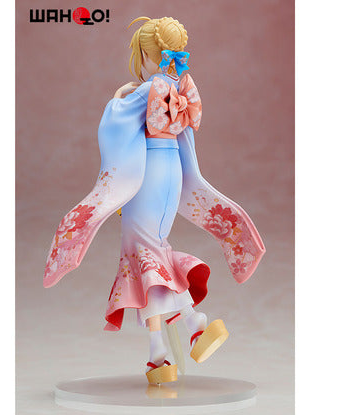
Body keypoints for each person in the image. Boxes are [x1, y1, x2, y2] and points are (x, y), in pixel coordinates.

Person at [43, 16, 265, 384]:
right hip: (171, 172)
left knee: (140, 254)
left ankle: (174, 341)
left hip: (147, 176)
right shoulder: (179, 87)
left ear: (147, 55)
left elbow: (114, 122)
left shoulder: (148, 89)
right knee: (155, 249)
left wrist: (119, 97)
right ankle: (178, 337)